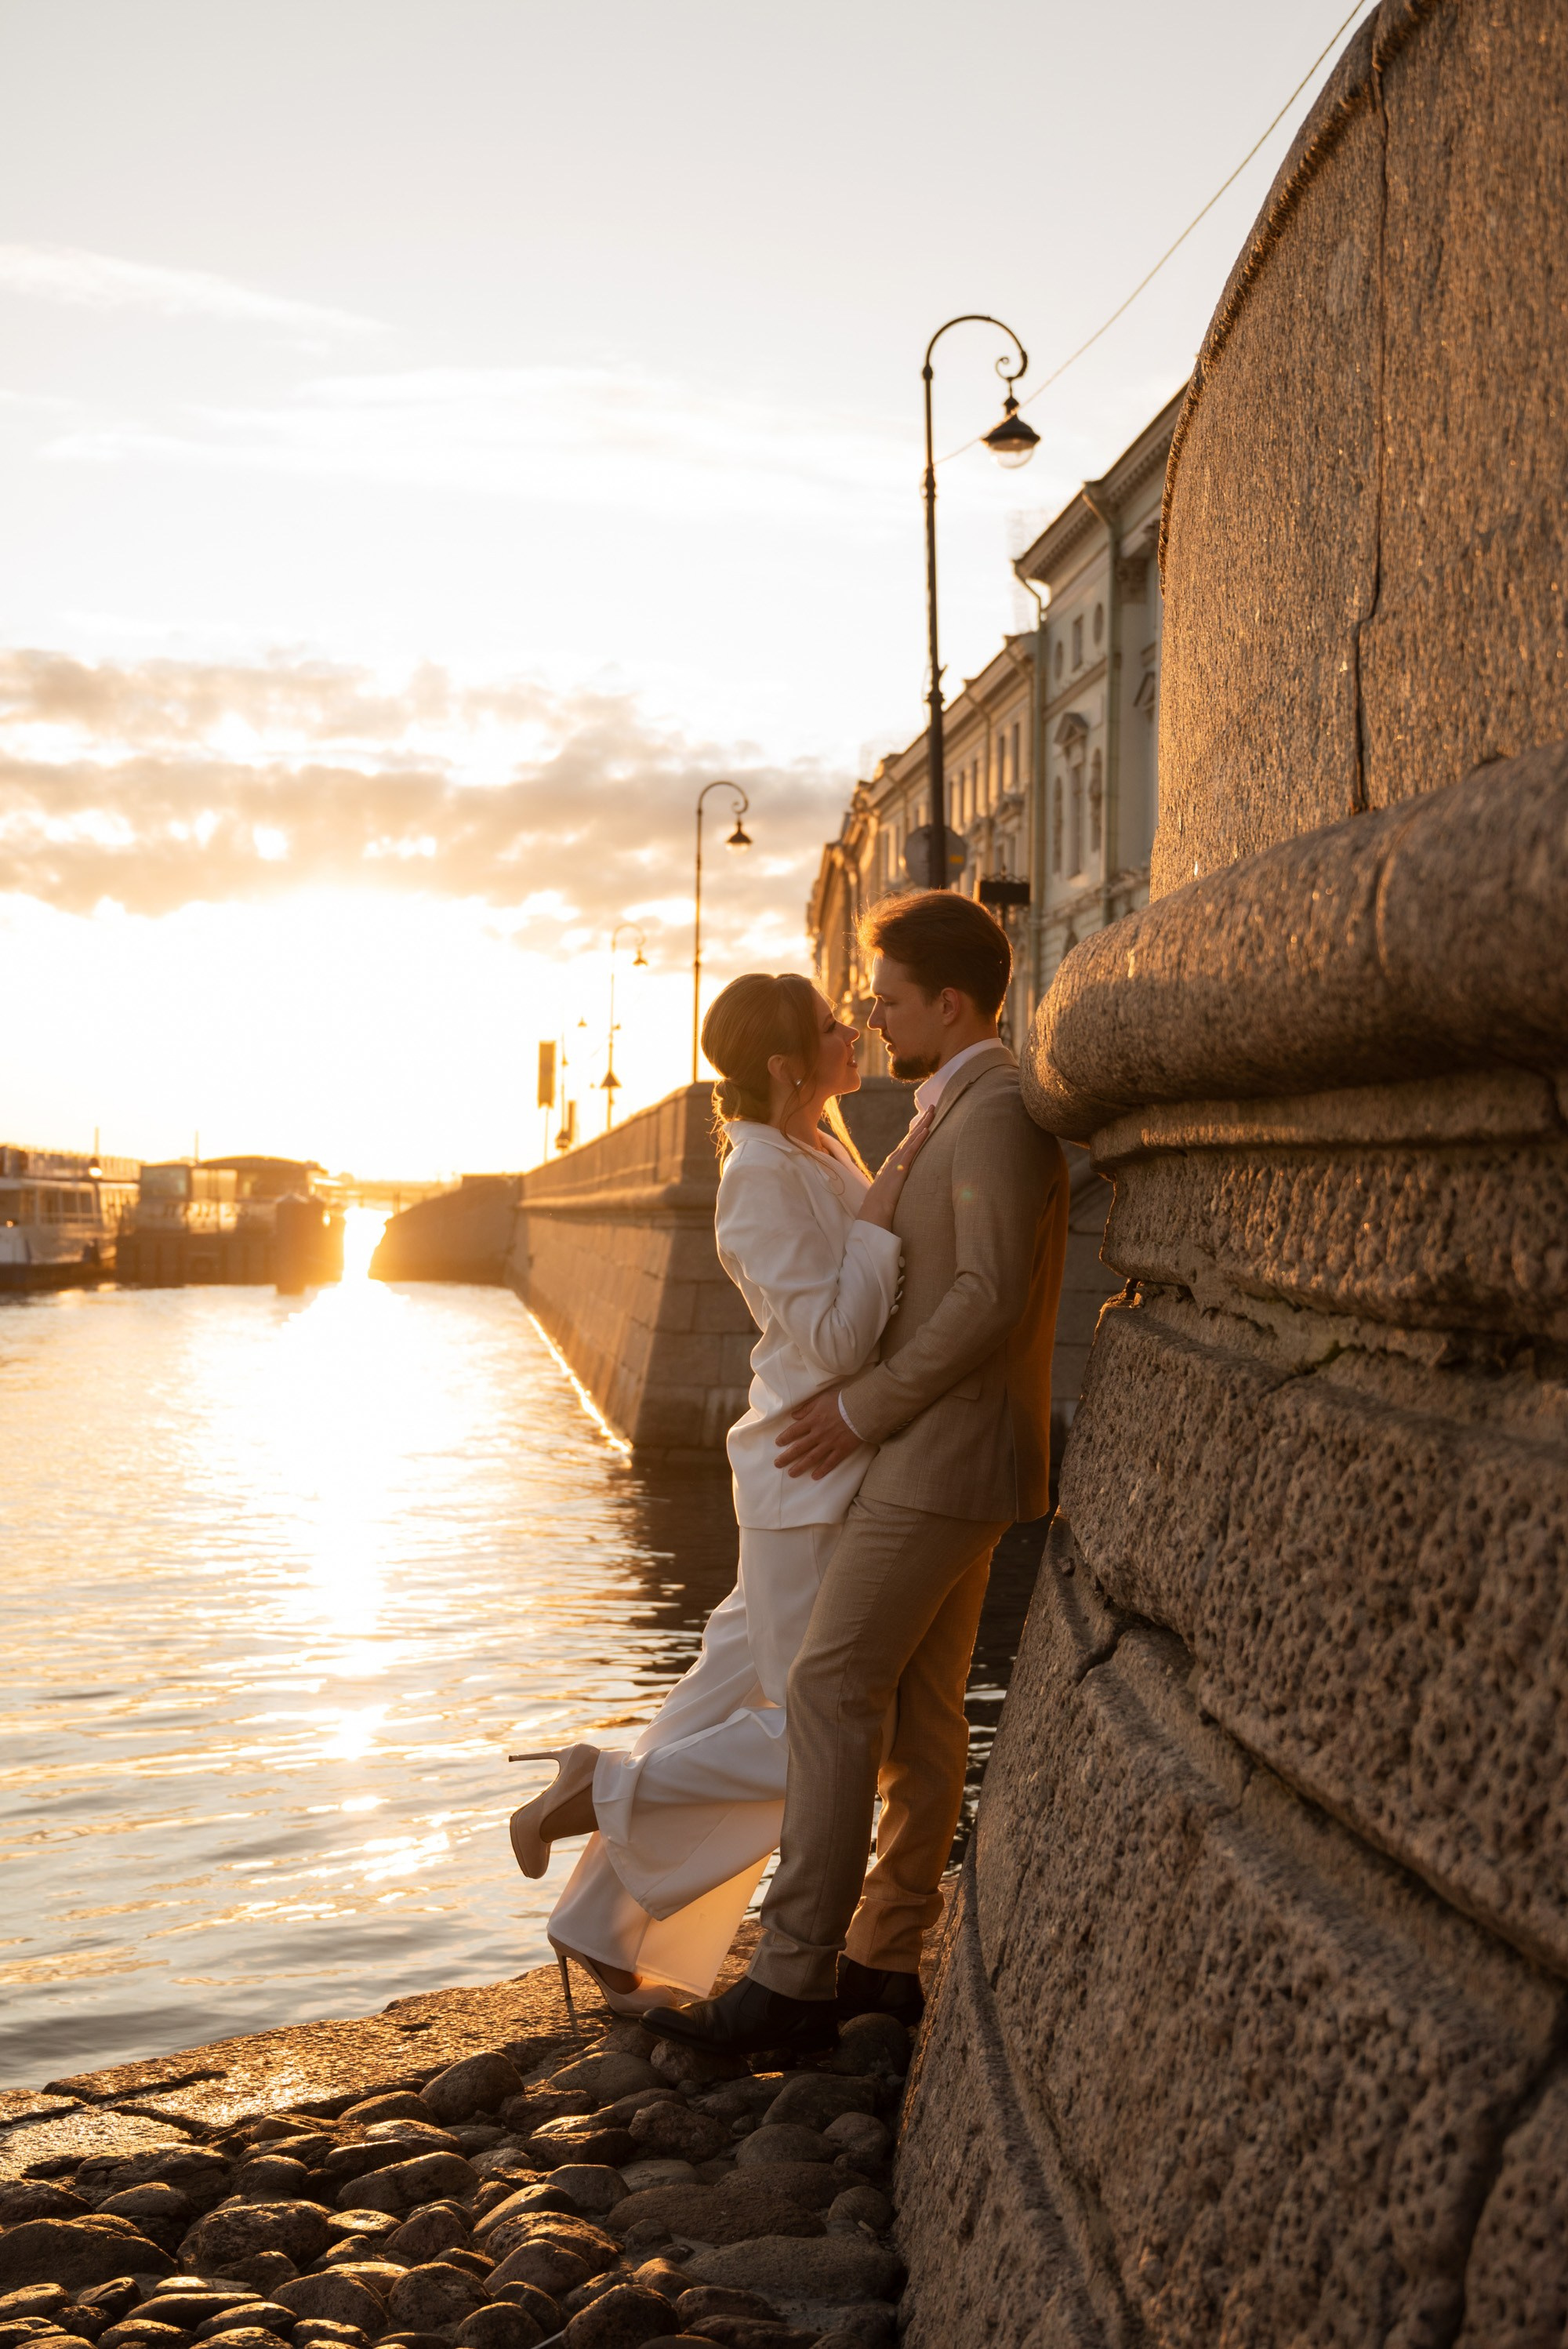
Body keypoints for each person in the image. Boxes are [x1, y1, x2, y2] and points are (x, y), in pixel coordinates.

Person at [645, 889, 1068, 2058]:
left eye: (886, 999)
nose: (872, 1019)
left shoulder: (988, 1114)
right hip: (947, 1450)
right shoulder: (951, 1108)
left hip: (939, 1452)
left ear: (950, 1002)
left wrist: (856, 1409)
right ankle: (883, 1962)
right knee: (924, 1716)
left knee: (830, 1687)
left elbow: (984, 1293)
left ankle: (791, 1977)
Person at [507, 971, 933, 2015]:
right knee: (824, 1733)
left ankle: (597, 1921)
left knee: (714, 1704)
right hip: (809, 1480)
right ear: (786, 1065)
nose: (854, 1029)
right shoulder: (759, 1177)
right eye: (831, 1026)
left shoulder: (813, 1145)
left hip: (809, 1471)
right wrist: (886, 1205)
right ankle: (598, 1784)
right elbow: (836, 1337)